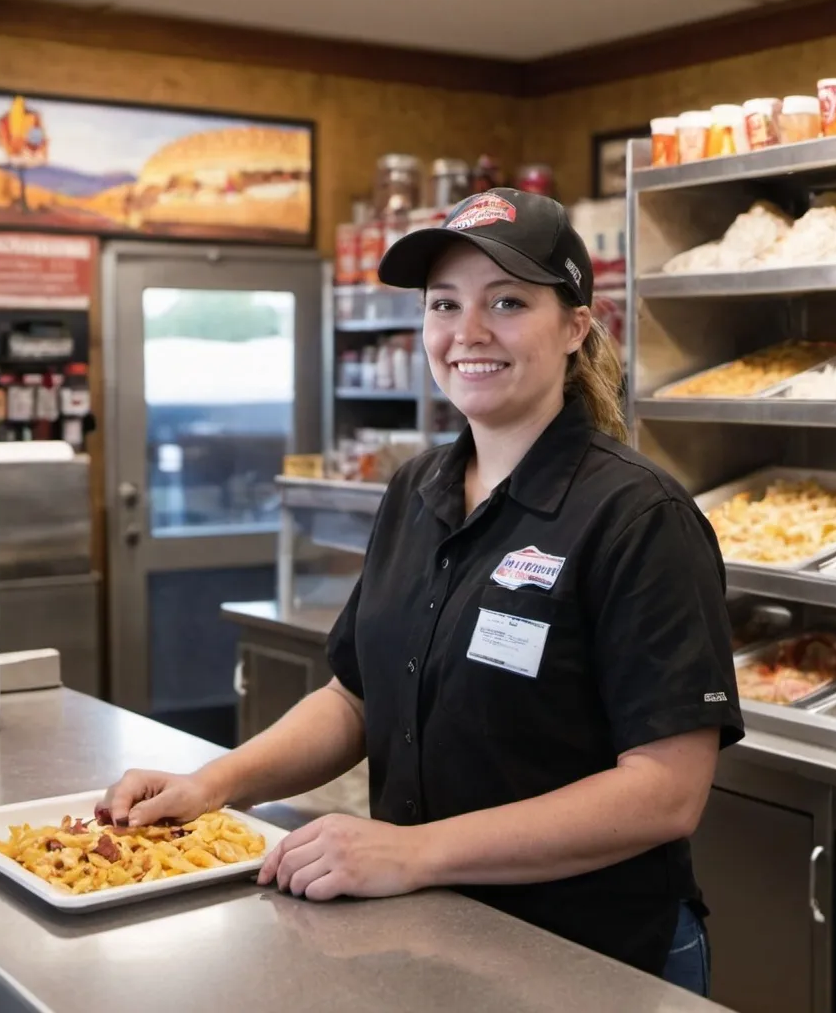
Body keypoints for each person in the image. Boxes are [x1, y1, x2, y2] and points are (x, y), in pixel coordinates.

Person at [100, 188, 743, 997]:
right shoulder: (417, 490)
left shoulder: (638, 516)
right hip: (430, 928)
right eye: (446, 304)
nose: (468, 333)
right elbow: (355, 697)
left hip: (590, 955)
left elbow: (664, 793)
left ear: (576, 327)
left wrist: (413, 850)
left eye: (507, 302)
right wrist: (213, 784)